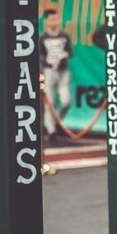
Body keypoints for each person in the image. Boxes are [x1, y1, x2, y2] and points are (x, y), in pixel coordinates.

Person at [39, 8, 73, 140]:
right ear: (46, 21)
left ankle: (56, 121)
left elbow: (70, 52)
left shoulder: (64, 36)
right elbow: (39, 55)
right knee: (49, 102)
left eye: (57, 19)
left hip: (63, 71)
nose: (55, 22)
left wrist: (64, 56)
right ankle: (51, 130)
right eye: (52, 19)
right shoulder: (42, 38)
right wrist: (47, 61)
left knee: (66, 101)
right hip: (48, 72)